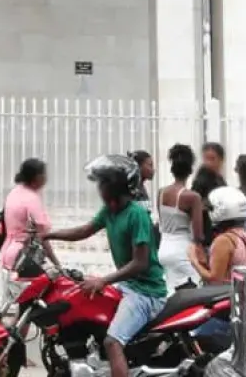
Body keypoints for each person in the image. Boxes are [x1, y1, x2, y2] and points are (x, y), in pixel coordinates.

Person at [43, 155, 166, 377]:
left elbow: (141, 263)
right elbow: (84, 230)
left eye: (104, 182)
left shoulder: (137, 214)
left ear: (117, 186)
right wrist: (49, 235)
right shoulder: (110, 211)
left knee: (112, 342)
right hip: (127, 286)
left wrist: (103, 280)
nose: (100, 188)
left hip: (146, 292)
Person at [0, 158, 58, 301]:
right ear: (37, 177)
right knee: (39, 299)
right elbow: (43, 237)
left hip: (9, 253)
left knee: (23, 301)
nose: (46, 177)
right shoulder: (32, 199)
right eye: (44, 174)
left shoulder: (15, 193)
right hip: (25, 257)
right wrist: (57, 263)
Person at [157, 145, 206, 290]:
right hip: (182, 251)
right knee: (193, 291)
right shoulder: (193, 197)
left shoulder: (161, 192)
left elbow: (162, 221)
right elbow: (198, 235)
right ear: (190, 170)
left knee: (170, 291)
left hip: (164, 248)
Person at [190, 187, 246, 285]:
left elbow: (215, 280)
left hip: (230, 292)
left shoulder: (223, 241)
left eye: (211, 209)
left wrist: (194, 260)